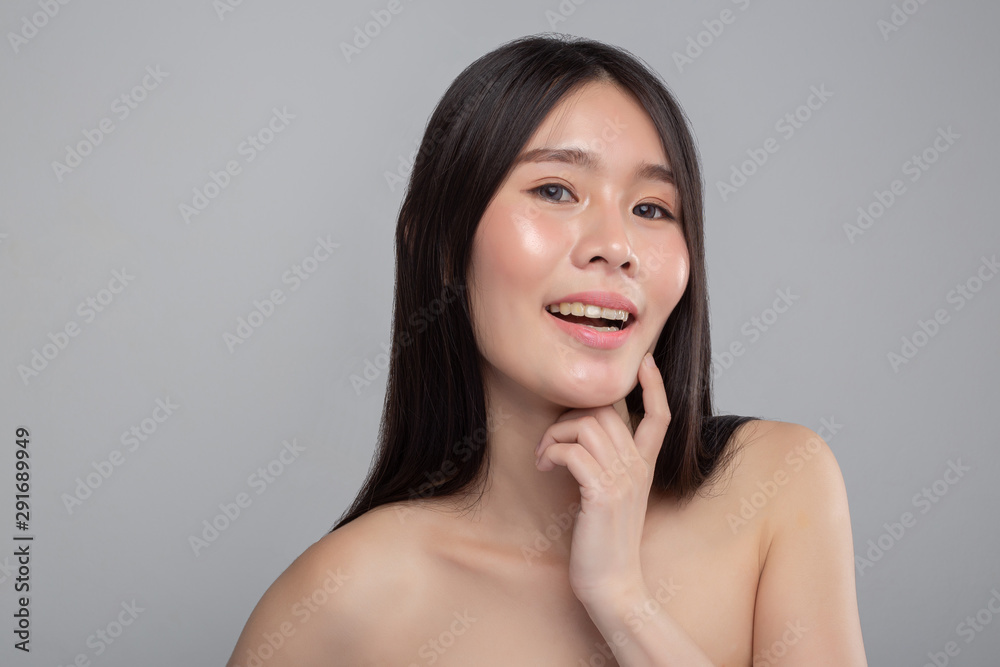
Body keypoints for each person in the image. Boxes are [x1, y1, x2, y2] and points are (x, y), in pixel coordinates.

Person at [227, 34, 867, 666]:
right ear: (445, 246)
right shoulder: (340, 602)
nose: (616, 245)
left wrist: (623, 602)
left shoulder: (776, 484)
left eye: (651, 207)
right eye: (555, 191)